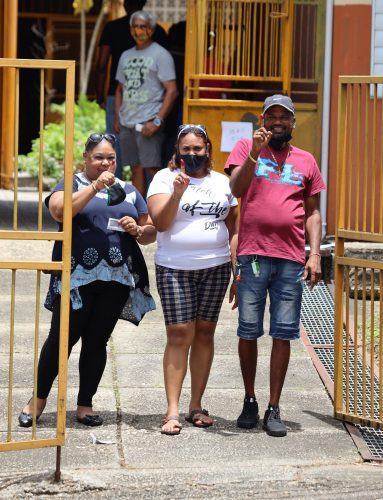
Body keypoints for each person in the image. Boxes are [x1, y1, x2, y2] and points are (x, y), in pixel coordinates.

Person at [18, 133, 156, 428]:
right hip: (77, 278)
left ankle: (85, 404)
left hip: (116, 279)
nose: (106, 163)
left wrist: (139, 230)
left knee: (97, 341)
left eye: (111, 158)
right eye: (99, 158)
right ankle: (38, 401)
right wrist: (95, 186)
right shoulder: (71, 184)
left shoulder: (129, 190)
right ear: (86, 158)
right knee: (61, 339)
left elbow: (150, 230)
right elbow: (58, 210)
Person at [224, 94, 325, 437]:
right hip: (252, 256)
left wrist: (314, 254)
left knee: (283, 332)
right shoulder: (245, 148)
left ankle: (274, 407)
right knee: (248, 330)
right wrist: (254, 151)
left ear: (293, 123)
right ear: (263, 121)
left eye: (285, 117)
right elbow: (235, 188)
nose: (278, 122)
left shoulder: (306, 160)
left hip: (290, 259)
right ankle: (249, 399)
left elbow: (312, 212)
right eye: (272, 117)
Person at [147, 124, 238, 435]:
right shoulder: (163, 178)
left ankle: (195, 405)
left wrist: (236, 271)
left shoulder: (223, 183)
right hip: (174, 267)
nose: (192, 154)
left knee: (204, 333)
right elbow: (159, 222)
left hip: (216, 266)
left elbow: (234, 229)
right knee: (178, 334)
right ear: (177, 151)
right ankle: (172, 410)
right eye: (185, 149)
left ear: (208, 150)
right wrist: (177, 193)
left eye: (197, 149)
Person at [95, 0, 169, 178]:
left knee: (115, 150)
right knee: (147, 159)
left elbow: (102, 65)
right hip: (149, 99)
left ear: (125, 4)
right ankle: (151, 200)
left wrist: (100, 95)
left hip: (119, 96)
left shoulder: (112, 28)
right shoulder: (157, 30)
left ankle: (115, 195)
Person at [114, 10, 178, 197]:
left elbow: (172, 91)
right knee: (135, 168)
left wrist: (157, 121)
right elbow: (119, 89)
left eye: (143, 26)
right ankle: (140, 213)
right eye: (135, 26)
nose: (138, 30)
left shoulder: (161, 54)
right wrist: (118, 117)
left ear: (151, 29)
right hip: (127, 122)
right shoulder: (125, 55)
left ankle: (161, 211)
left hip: (149, 120)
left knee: (152, 170)